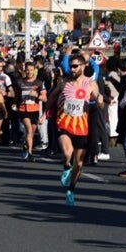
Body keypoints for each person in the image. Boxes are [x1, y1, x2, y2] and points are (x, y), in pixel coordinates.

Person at [48, 54, 104, 206]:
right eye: (70, 66)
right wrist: (45, 113)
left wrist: (99, 100)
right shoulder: (63, 82)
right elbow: (52, 97)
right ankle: (66, 166)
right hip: (64, 122)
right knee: (67, 152)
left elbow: (98, 97)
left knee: (78, 163)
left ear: (83, 66)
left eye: (75, 66)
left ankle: (70, 190)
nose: (72, 69)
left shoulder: (91, 84)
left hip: (81, 126)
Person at [16, 61, 47, 161]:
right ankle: (30, 154)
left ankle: (26, 145)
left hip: (34, 110)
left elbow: (45, 98)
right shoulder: (20, 82)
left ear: (34, 71)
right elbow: (16, 96)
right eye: (27, 70)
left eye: (31, 70)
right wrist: (14, 103)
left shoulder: (39, 83)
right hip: (23, 109)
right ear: (25, 70)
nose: (29, 72)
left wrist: (37, 95)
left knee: (31, 133)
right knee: (29, 130)